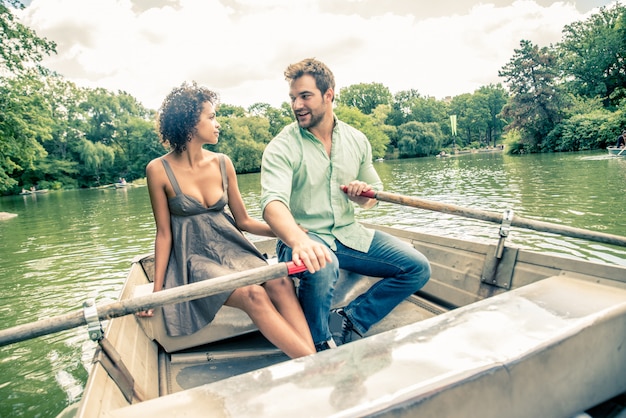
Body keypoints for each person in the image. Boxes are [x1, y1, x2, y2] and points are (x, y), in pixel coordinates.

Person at [260, 58, 431, 352]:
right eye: (292, 98)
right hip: (301, 238)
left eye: (305, 96)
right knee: (324, 262)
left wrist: (362, 196)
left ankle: (350, 320)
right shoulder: (282, 145)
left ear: (329, 94)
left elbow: (373, 196)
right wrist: (300, 241)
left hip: (348, 234)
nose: (297, 105)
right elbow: (272, 203)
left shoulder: (357, 140)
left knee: (417, 267)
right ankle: (318, 342)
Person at [140, 82, 315, 359]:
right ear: (188, 123)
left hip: (233, 249)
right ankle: (313, 362)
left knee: (280, 281)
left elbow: (244, 221)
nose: (217, 124)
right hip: (195, 259)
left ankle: (312, 356)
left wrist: (291, 231)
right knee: (253, 295)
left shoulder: (223, 162)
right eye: (211, 117)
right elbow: (164, 234)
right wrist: (156, 290)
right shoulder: (157, 170)